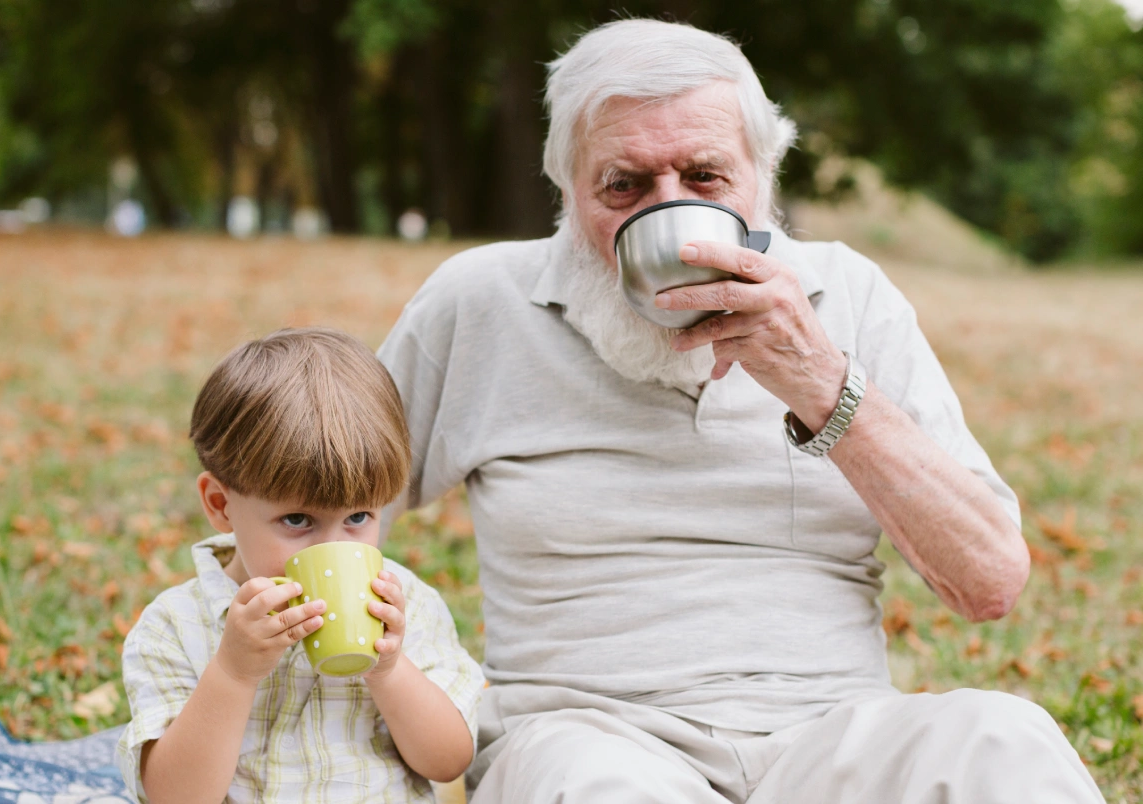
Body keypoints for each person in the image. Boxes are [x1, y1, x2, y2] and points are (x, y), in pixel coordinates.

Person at [376, 18, 1105, 804]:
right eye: (624, 185)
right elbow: (314, 498)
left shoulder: (851, 295)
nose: (669, 216)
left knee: (1005, 741)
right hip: (589, 739)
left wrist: (819, 380)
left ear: (763, 177)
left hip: (831, 740)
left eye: (705, 176)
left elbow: (989, 581)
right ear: (567, 189)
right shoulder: (480, 302)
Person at [116, 327, 484, 804]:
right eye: (297, 520)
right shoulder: (176, 627)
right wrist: (232, 674)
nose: (333, 545)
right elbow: (173, 797)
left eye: (358, 517)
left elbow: (449, 761)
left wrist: (390, 672)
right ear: (221, 505)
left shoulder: (404, 606)